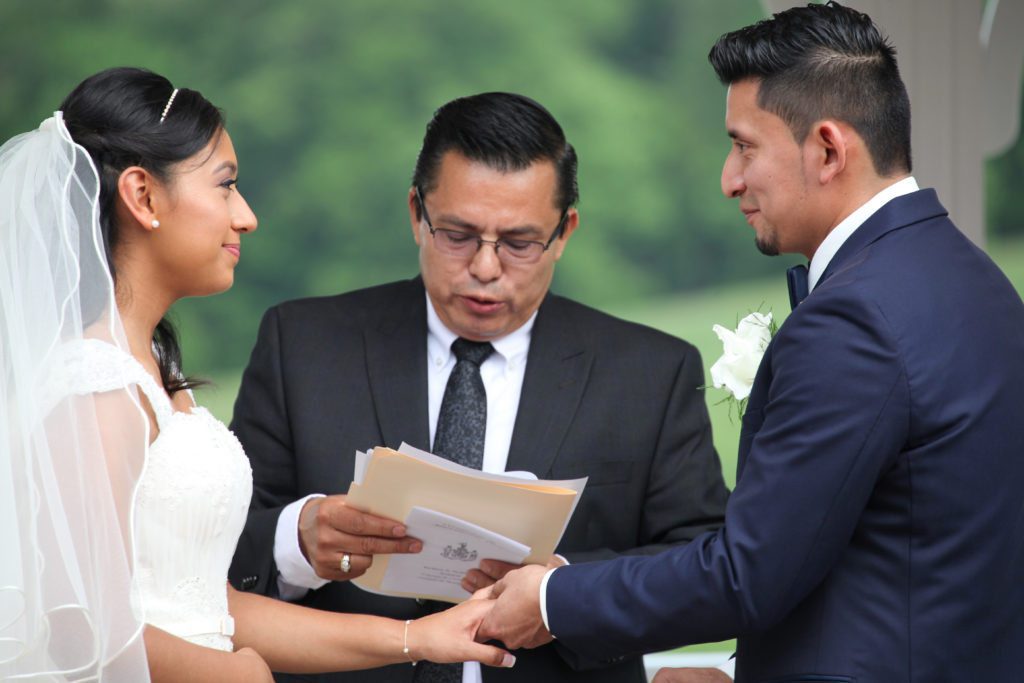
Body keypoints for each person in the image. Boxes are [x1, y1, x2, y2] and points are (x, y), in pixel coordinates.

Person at [476, 3, 1024, 682]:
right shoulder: (982, 284)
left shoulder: (853, 320)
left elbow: (748, 572)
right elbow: (897, 555)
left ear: (827, 149)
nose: (729, 179)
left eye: (744, 146)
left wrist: (553, 600)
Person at [0, 66, 514, 682]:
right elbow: (77, 625)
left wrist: (417, 637)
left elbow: (212, 608)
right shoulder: (96, 388)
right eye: (225, 186)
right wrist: (229, 675)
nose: (246, 216)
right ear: (142, 196)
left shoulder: (150, 375)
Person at [227, 91, 730, 683]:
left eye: (518, 243)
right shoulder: (303, 344)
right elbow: (215, 553)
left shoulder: (650, 372)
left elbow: (704, 561)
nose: (486, 269)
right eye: (458, 235)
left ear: (564, 231)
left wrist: (562, 590)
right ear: (417, 212)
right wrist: (299, 540)